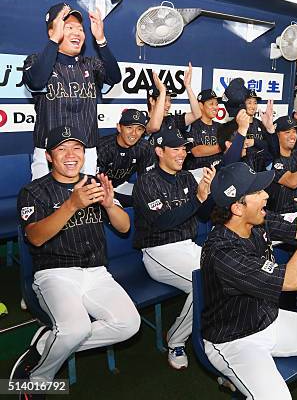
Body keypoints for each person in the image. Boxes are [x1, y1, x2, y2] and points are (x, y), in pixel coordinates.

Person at [201, 162, 297, 400]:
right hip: (235, 340)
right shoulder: (221, 251)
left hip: (269, 318)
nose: (266, 194)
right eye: (257, 192)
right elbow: (292, 280)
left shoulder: (258, 220)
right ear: (237, 208)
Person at [12, 126, 140, 391]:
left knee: (129, 325)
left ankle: (48, 342)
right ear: (49, 156)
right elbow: (35, 238)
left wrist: (108, 204)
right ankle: (38, 379)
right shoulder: (34, 191)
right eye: (62, 149)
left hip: (96, 272)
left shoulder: (94, 183)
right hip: (55, 273)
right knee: (75, 329)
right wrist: (71, 205)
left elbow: (125, 227)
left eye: (77, 148)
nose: (71, 155)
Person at [132, 128, 216, 370]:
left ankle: (214, 330)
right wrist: (197, 199)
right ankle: (176, 340)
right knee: (204, 284)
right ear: (159, 151)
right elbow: (162, 222)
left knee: (222, 272)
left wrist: (207, 195)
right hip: (158, 251)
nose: (182, 153)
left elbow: (202, 214)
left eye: (183, 148)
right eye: (175, 149)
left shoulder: (186, 177)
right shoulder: (146, 182)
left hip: (187, 245)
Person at [24, 3, 121, 180]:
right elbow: (36, 81)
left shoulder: (91, 64)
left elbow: (114, 77)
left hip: (86, 151)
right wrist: (55, 40)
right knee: (48, 205)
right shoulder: (36, 60)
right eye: (68, 27)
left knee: (85, 204)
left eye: (80, 29)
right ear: (52, 30)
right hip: (49, 152)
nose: (77, 32)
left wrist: (101, 39)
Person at [97, 109, 156, 207]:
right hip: (101, 189)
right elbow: (93, 181)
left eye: (139, 129)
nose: (134, 133)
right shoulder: (103, 147)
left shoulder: (144, 147)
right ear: (119, 128)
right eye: (129, 127)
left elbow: (147, 179)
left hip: (122, 185)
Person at [145, 64, 201, 135]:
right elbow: (155, 127)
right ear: (152, 101)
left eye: (170, 100)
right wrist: (162, 91)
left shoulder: (172, 120)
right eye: (164, 100)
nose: (168, 104)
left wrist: (188, 86)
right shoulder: (142, 122)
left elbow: (197, 114)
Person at [183, 89, 224, 179]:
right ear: (201, 106)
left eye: (217, 104)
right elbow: (197, 151)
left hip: (219, 173)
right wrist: (222, 146)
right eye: (211, 104)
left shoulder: (221, 127)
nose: (216, 107)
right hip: (198, 175)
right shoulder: (192, 125)